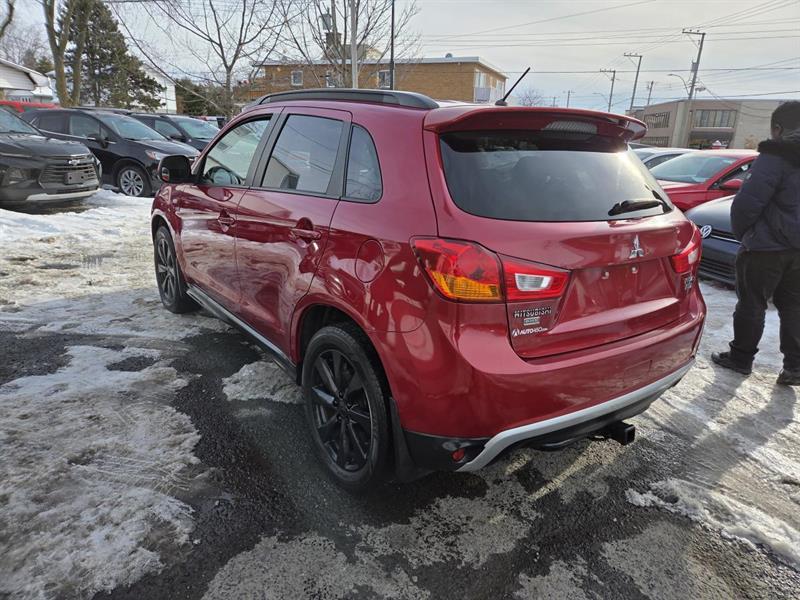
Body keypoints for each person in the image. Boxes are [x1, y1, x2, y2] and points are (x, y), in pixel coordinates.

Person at [712, 101, 800, 385]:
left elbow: (747, 204)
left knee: (752, 303)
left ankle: (740, 359)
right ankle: (795, 367)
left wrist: (746, 236)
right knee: (794, 306)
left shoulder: (775, 156)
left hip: (765, 248)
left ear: (778, 128)